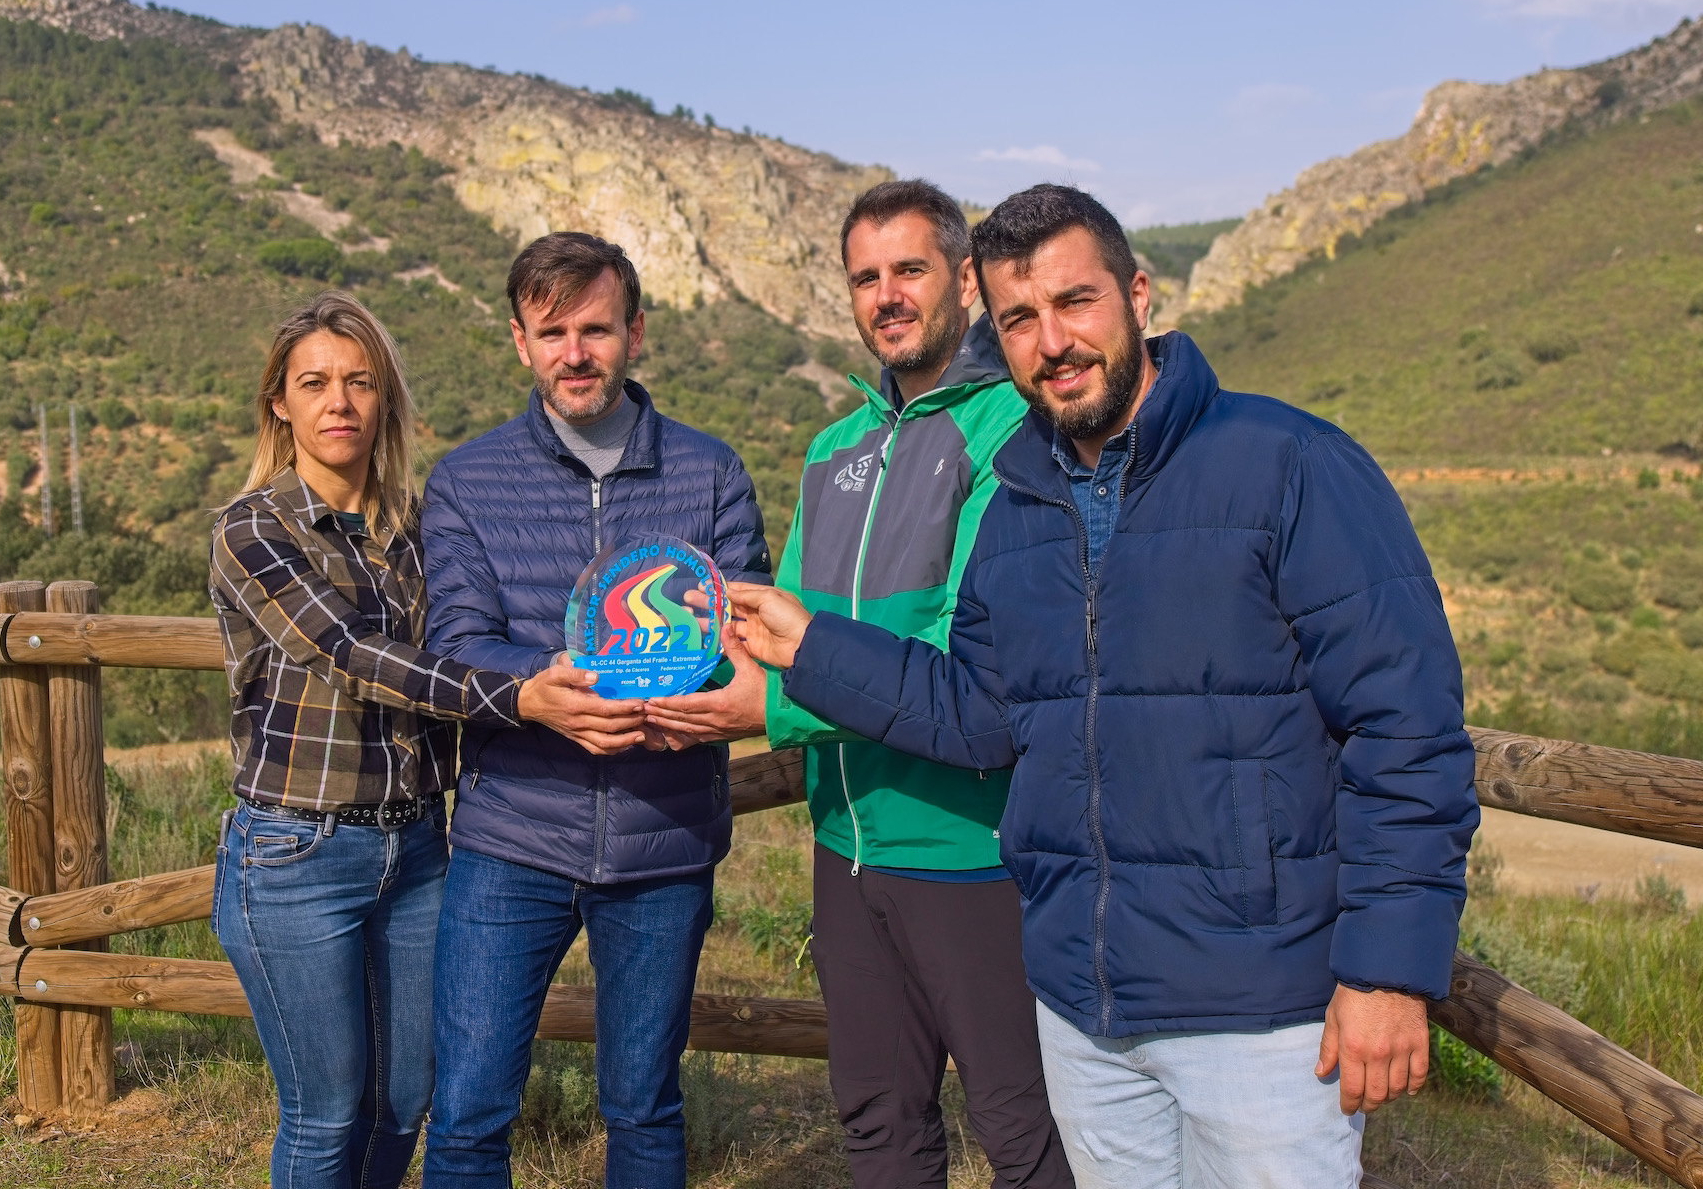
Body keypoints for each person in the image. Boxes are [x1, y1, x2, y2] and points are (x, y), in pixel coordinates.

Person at [720, 185, 1480, 1189]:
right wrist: (816, 648)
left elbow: (1407, 729)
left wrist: (1386, 969)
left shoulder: (1288, 466)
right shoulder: (1023, 506)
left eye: (1077, 303)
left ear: (1139, 291)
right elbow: (979, 711)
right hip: (1086, 1013)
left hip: (1259, 1011)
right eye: (1022, 319)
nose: (1053, 342)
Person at [647, 180, 1074, 1189]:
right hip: (845, 848)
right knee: (878, 1130)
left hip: (975, 852)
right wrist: (673, 680)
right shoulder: (834, 449)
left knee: (1026, 1136)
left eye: (910, 270)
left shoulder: (1015, 431)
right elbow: (786, 628)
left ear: (964, 280)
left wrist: (773, 704)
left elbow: (960, 651)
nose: (886, 296)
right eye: (865, 277)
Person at [208, 290, 638, 1189]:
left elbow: (465, 634)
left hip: (416, 846)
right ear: (278, 403)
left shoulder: (412, 525)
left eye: (359, 382)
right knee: (325, 1116)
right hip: (298, 848)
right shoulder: (253, 528)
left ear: (385, 400)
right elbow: (354, 656)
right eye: (315, 383)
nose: (339, 402)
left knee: (407, 1098)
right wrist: (522, 696)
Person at [420, 232, 773, 1189]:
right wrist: (542, 692)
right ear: (519, 342)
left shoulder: (711, 475)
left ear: (636, 332)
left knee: (646, 1110)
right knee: (465, 1115)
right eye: (552, 332)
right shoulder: (465, 480)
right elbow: (453, 645)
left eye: (596, 329)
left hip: (665, 843)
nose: (576, 352)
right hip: (510, 841)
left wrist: (699, 682)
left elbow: (749, 634)